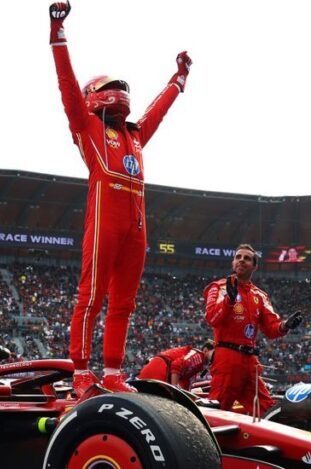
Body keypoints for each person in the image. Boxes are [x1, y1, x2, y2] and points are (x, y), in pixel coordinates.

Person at [48, 2, 192, 396]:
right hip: (105, 223)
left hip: (137, 229)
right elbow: (65, 85)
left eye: (123, 89)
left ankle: (112, 372)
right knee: (91, 296)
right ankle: (81, 371)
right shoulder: (88, 127)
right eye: (113, 88)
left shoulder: (134, 136)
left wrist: (178, 80)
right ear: (95, 97)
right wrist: (57, 32)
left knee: (123, 304)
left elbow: (156, 112)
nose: (120, 94)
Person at [204, 244, 302, 416]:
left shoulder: (260, 295)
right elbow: (212, 318)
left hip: (251, 363)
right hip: (227, 358)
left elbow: (272, 328)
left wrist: (285, 325)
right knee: (218, 411)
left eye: (247, 258)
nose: (241, 260)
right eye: (238, 257)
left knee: (267, 410)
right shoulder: (218, 287)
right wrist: (229, 301)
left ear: (255, 266)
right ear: (233, 263)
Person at [137, 340, 214, 391]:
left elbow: (184, 381)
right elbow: (176, 365)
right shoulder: (199, 355)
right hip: (160, 371)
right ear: (205, 350)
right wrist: (175, 390)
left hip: (155, 369)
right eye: (214, 353)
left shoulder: (197, 361)